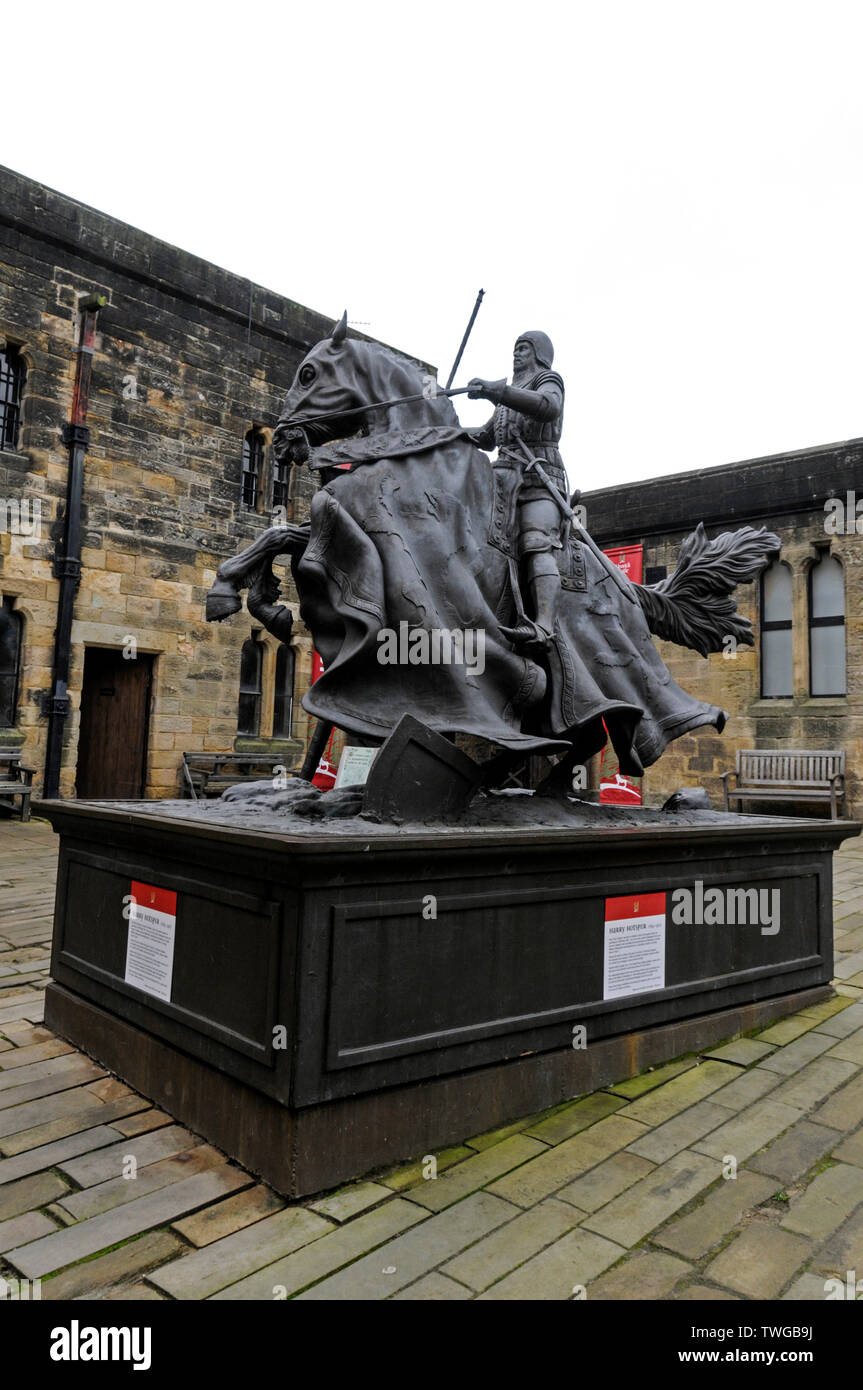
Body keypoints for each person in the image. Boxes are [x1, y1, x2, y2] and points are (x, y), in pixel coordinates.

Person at [468, 331, 566, 648]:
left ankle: (544, 626)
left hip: (539, 478)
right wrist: (443, 430)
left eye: (523, 348)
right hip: (503, 479)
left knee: (537, 542)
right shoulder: (507, 400)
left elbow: (548, 406)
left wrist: (499, 391)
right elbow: (485, 438)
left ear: (539, 353)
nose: (516, 354)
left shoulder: (548, 380)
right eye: (515, 349)